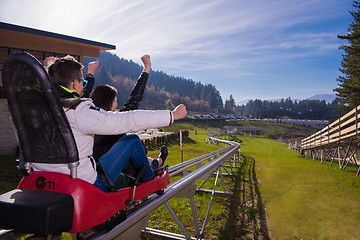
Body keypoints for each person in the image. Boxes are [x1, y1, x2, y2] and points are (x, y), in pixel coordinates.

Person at [31, 55, 187, 192]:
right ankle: (150, 177)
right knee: (132, 139)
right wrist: (171, 115)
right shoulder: (81, 113)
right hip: (84, 182)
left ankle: (152, 165)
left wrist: (48, 69)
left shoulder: (38, 110)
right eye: (82, 83)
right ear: (74, 84)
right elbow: (129, 119)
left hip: (45, 178)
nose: (84, 88)